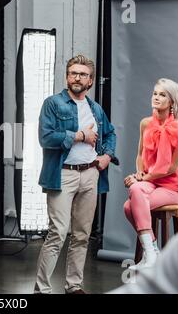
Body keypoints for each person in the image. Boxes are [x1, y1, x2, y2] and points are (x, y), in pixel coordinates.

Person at [34, 55, 118, 294]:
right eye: (73, 73)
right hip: (62, 175)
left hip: (90, 174)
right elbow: (45, 138)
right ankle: (41, 289)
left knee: (82, 235)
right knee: (58, 233)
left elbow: (110, 134)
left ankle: (74, 286)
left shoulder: (95, 108)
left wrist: (107, 156)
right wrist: (79, 136)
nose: (77, 77)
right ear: (67, 77)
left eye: (82, 74)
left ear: (90, 80)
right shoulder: (53, 103)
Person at [123, 78, 178, 271]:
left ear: (172, 101)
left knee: (130, 207)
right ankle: (152, 252)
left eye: (162, 95)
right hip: (151, 180)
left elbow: (172, 167)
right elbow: (139, 155)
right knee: (136, 192)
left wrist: (141, 178)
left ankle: (150, 253)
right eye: (155, 93)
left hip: (173, 185)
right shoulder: (145, 123)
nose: (156, 97)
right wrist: (139, 174)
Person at [110, 205, 178, 294]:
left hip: (173, 190)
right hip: (155, 189)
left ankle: (151, 250)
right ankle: (152, 249)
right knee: (129, 205)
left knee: (135, 196)